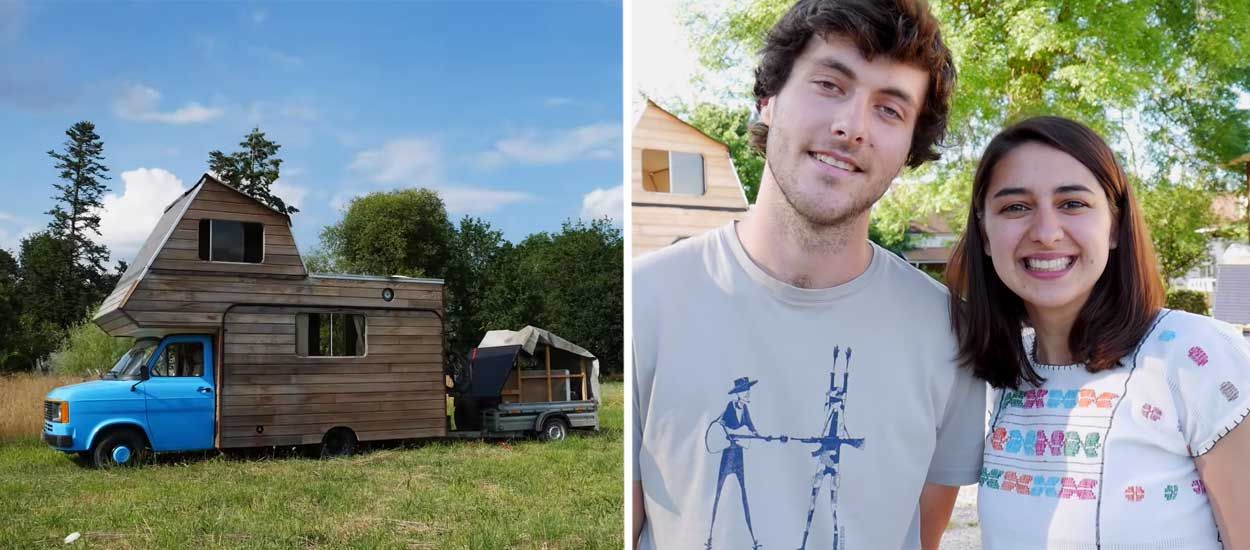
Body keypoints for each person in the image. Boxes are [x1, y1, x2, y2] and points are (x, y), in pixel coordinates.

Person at [632, 1, 986, 548]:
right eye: (828, 84)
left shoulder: (951, 335)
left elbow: (920, 534)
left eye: (890, 110)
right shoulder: (645, 303)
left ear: (910, 147)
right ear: (767, 99)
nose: (851, 127)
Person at [944, 115, 1250, 548]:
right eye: (1016, 206)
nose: (1047, 233)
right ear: (985, 234)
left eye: (1072, 203)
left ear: (1115, 226)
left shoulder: (1194, 356)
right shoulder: (997, 377)